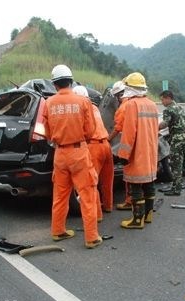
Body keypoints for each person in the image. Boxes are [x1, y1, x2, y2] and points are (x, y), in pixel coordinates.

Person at [42, 64, 102, 249]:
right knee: (87, 194)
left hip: (60, 154)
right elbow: (91, 130)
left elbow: (47, 133)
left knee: (60, 195)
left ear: (55, 85)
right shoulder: (83, 102)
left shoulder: (48, 103)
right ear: (70, 81)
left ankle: (58, 231)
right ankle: (91, 237)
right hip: (79, 153)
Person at [117, 72, 159, 229]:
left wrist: (123, 155)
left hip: (137, 154)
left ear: (129, 88)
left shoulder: (131, 105)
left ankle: (137, 220)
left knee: (136, 187)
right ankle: (148, 215)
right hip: (150, 152)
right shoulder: (152, 104)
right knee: (149, 185)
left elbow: (129, 133)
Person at [73, 85, 114, 219]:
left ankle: (97, 214)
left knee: (92, 182)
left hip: (94, 146)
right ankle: (108, 206)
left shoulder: (80, 108)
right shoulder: (95, 107)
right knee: (107, 179)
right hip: (106, 145)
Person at [158, 90, 185, 196]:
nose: (162, 102)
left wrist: (154, 127)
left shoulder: (168, 110)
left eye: (162, 100)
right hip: (184, 137)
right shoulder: (180, 107)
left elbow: (165, 124)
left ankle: (176, 189)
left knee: (176, 164)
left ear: (168, 98)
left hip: (176, 139)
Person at [107, 81, 132, 211]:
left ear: (118, 95)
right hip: (139, 144)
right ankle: (138, 198)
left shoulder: (123, 107)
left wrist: (108, 139)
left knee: (129, 172)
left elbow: (117, 128)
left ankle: (130, 200)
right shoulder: (136, 103)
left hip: (128, 144)